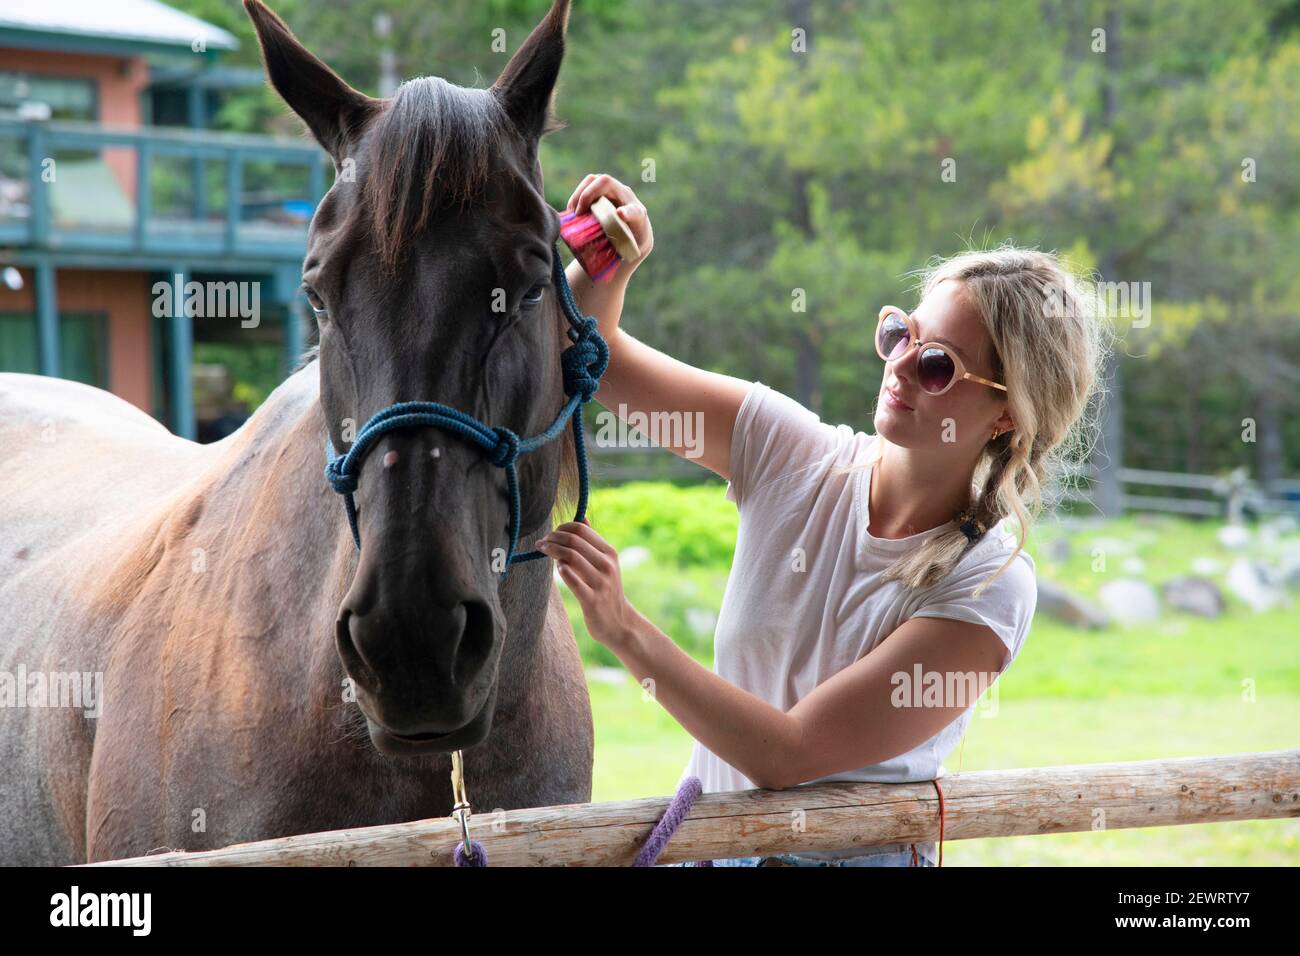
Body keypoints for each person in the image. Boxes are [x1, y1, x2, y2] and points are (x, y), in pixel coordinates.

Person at [536, 174, 1109, 867]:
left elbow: (789, 755)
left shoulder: (991, 585)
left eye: (936, 365)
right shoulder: (788, 450)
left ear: (1007, 414)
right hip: (712, 853)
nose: (898, 365)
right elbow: (592, 360)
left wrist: (623, 630)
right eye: (901, 333)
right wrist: (610, 258)